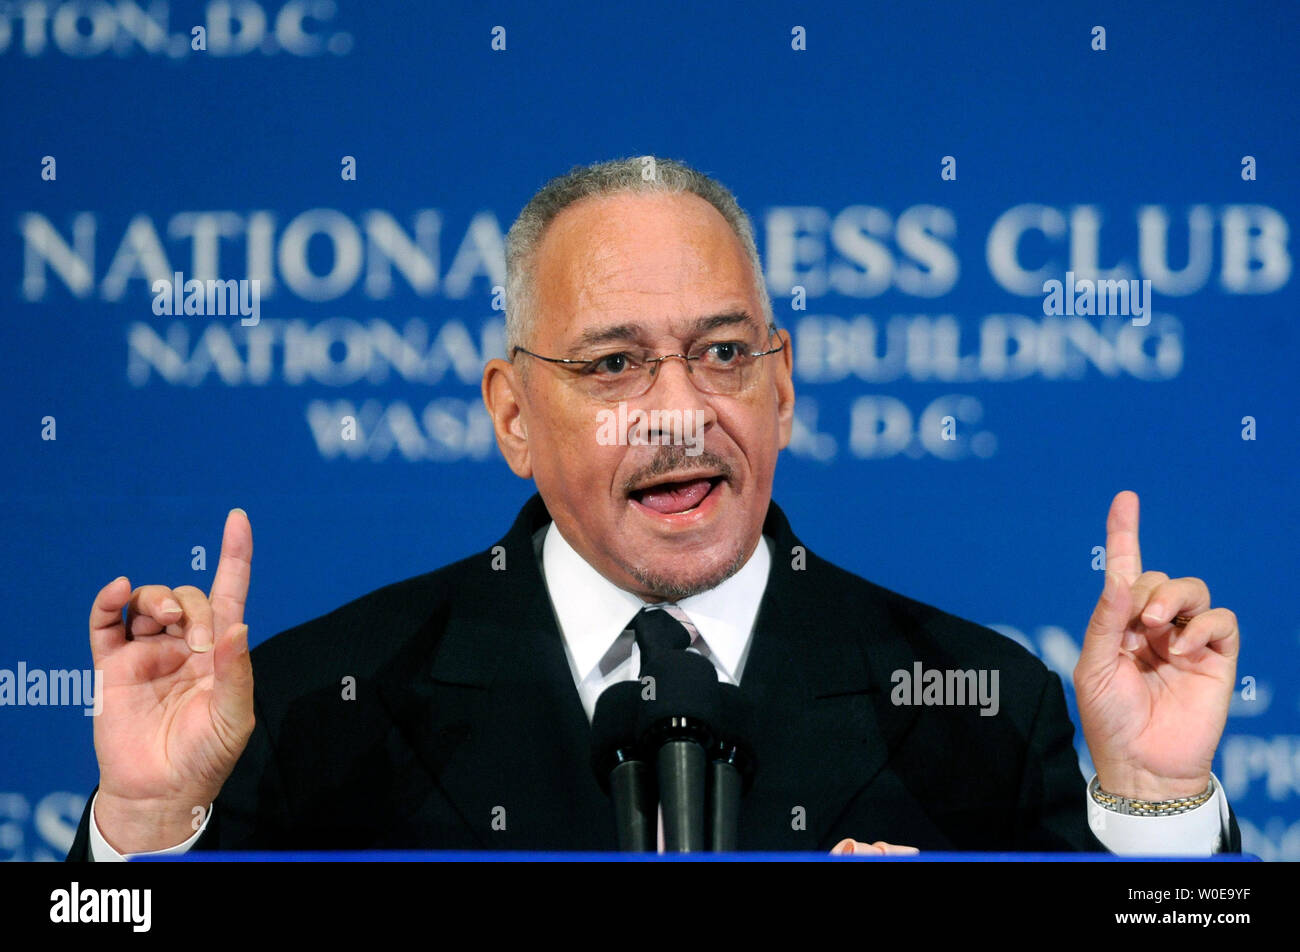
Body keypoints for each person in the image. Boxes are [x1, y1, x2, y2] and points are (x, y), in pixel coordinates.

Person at [67, 157, 1241, 860]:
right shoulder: (321, 708)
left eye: (721, 352)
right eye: (615, 364)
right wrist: (144, 824)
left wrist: (1156, 805)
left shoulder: (982, 709)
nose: (676, 413)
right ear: (513, 413)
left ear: (781, 384)